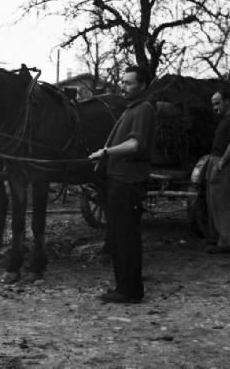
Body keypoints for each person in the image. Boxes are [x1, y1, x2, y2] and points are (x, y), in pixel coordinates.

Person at [88, 65, 157, 304]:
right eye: (123, 82)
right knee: (118, 236)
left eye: (129, 83)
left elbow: (135, 145)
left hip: (129, 182)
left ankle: (131, 291)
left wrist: (105, 152)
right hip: (119, 179)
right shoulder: (132, 109)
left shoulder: (144, 109)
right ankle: (124, 288)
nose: (123, 86)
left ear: (143, 85)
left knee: (126, 236)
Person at [205, 91, 230, 254]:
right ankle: (217, 239)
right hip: (217, 161)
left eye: (218, 103)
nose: (215, 107)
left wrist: (221, 163)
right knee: (213, 202)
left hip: (225, 165)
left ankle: (227, 243)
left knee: (223, 204)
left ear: (227, 101)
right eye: (213, 104)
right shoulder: (224, 120)